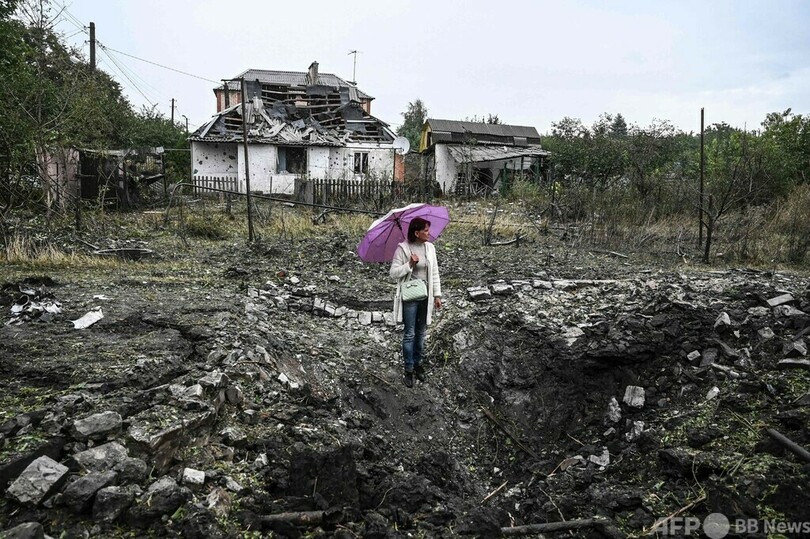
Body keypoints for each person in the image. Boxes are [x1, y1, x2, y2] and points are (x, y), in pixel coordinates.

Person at [389, 217, 442, 387]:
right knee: (410, 333)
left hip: (426, 296)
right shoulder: (402, 249)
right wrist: (409, 264)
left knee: (421, 332)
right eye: (425, 230)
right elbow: (394, 273)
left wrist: (437, 295)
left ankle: (419, 363)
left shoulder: (430, 248)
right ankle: (409, 369)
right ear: (416, 232)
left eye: (428, 230)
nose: (429, 233)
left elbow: (434, 273)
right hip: (411, 296)